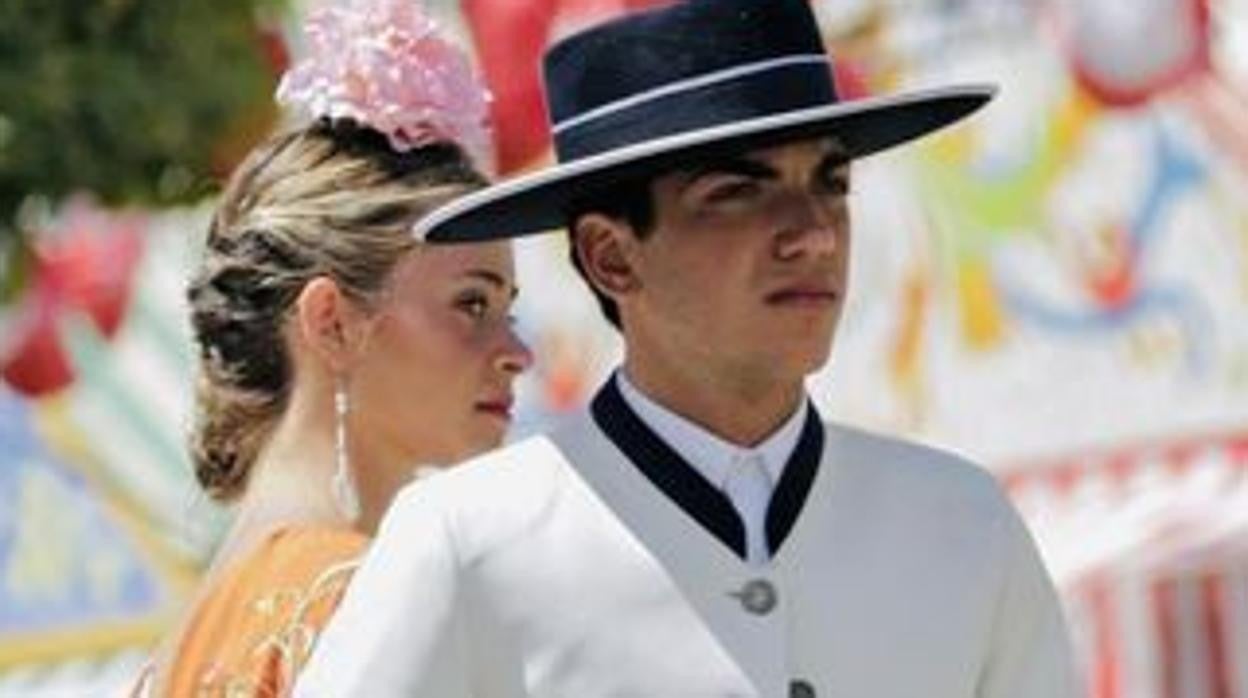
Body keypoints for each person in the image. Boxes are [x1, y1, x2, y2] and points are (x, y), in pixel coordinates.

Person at [296, 1, 1079, 696]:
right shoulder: (468, 540)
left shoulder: (963, 523)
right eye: (736, 192)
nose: (812, 233)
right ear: (611, 256)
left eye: (831, 183)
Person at [131, 1, 531, 695]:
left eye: (507, 310)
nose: (516, 352)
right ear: (332, 322)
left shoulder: (186, 635)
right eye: (472, 303)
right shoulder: (368, 603)